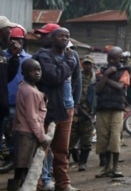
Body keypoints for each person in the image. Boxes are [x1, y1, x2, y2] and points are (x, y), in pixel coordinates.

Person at [32, 27, 81, 191]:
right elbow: (54, 77)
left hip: (68, 108)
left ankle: (63, 183)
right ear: (52, 38)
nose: (65, 39)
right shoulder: (44, 56)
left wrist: (75, 102)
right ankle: (37, 183)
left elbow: (76, 81)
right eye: (61, 36)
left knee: (62, 150)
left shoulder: (72, 56)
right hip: (49, 109)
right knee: (42, 149)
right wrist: (68, 61)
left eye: (67, 36)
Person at [10, 59, 49, 190]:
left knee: (20, 167)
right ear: (24, 73)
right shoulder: (30, 91)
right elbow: (32, 117)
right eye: (33, 71)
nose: (37, 73)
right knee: (24, 167)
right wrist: (42, 137)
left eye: (39, 70)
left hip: (21, 130)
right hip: (28, 133)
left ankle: (17, 186)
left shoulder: (25, 86)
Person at [94, 46, 130, 178]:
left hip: (117, 109)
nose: (111, 60)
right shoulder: (102, 70)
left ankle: (115, 167)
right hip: (102, 108)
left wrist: (104, 78)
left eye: (114, 58)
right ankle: (106, 167)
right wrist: (107, 74)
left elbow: (120, 87)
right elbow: (97, 90)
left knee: (115, 138)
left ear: (120, 58)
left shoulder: (125, 71)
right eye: (109, 58)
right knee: (103, 138)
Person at [1, 25, 31, 174]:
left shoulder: (30, 59)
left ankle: (15, 164)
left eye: (19, 40)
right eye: (13, 39)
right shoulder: (3, 55)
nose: (15, 43)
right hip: (5, 101)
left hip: (20, 103)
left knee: (16, 134)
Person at [68, 55, 96, 172]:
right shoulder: (77, 77)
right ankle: (64, 164)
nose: (87, 66)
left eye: (89, 63)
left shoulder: (95, 79)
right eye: (85, 63)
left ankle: (82, 163)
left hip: (88, 114)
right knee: (70, 140)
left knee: (86, 140)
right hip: (76, 111)